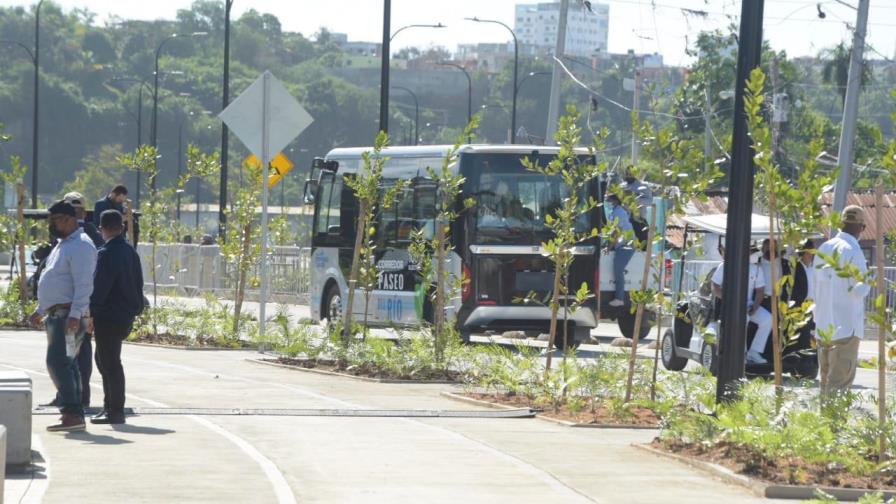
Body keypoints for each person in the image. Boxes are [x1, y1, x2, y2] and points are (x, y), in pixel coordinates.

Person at [29, 201, 97, 432]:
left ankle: (72, 412)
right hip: (59, 315)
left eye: (56, 219)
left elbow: (83, 285)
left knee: (57, 363)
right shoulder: (63, 245)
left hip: (69, 317)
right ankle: (73, 412)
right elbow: (56, 281)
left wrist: (76, 315)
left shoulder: (81, 246)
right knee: (68, 364)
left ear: (69, 219)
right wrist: (41, 310)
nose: (52, 224)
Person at [89, 210, 144, 424]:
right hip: (125, 314)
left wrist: (91, 311)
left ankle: (114, 410)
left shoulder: (106, 253)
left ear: (102, 228)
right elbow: (138, 283)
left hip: (109, 315)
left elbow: (100, 287)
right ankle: (111, 407)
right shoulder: (130, 252)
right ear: (121, 227)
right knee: (106, 360)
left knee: (109, 363)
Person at [814, 206, 870, 394]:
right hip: (846, 327)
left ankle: (824, 422)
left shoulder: (824, 247)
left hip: (823, 326)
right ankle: (834, 423)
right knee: (840, 383)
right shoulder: (853, 250)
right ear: (861, 227)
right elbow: (860, 289)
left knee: (825, 381)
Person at [711, 243, 772, 364]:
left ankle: (754, 352)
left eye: (750, 252)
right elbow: (714, 286)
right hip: (730, 306)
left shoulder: (756, 269)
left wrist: (755, 307)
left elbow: (760, 290)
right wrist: (729, 300)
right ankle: (741, 354)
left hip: (748, 305)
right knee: (743, 318)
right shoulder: (725, 266)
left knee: (768, 319)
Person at [605, 193, 634, 307]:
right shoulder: (615, 212)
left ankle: (619, 298)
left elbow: (616, 232)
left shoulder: (618, 212)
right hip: (622, 245)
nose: (608, 203)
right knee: (618, 268)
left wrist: (608, 247)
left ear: (615, 201)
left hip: (626, 245)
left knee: (618, 268)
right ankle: (619, 297)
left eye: (609, 201)